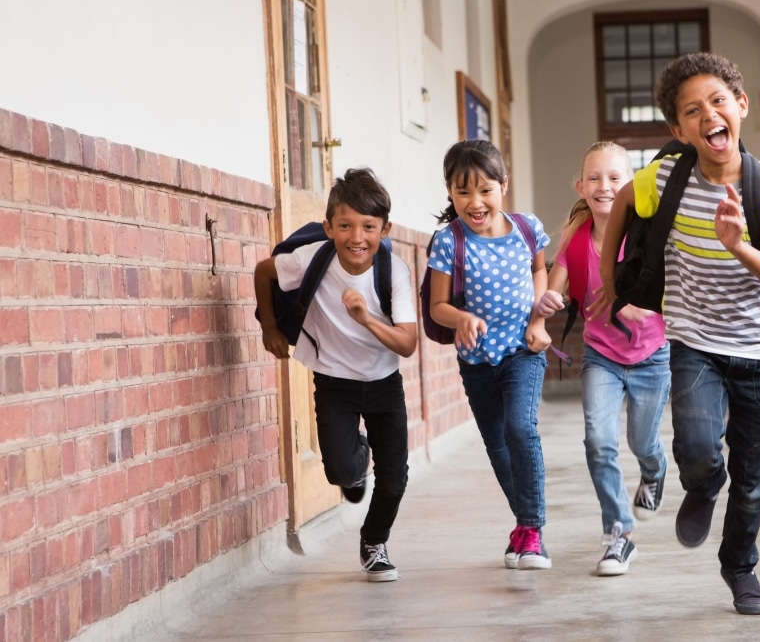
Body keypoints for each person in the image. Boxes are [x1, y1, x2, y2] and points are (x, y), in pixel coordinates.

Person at [592, 53, 760, 615]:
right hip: (697, 341)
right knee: (697, 447)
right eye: (692, 110)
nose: (708, 114)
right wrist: (612, 279)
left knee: (754, 478)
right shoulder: (664, 177)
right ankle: (703, 485)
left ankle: (740, 568)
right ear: (678, 129)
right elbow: (617, 211)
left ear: (739, 106)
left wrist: (737, 244)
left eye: (717, 101)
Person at [254, 168, 418, 583]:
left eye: (368, 226)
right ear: (329, 227)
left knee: (395, 479)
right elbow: (263, 272)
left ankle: (374, 543)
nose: (356, 237)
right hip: (334, 382)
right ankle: (355, 456)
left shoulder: (393, 271)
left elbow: (406, 343)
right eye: (345, 225)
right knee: (342, 473)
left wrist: (365, 319)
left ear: (385, 228)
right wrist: (269, 327)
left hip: (384, 382)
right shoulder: (313, 258)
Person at [534, 142, 671, 577]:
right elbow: (554, 289)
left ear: (630, 184)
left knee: (641, 442)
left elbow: (673, 292)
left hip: (651, 355)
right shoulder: (575, 237)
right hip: (602, 357)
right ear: (580, 185)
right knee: (599, 440)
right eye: (593, 178)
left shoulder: (645, 234)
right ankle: (618, 533)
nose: (604, 186)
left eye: (614, 178)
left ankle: (654, 470)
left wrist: (637, 306)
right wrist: (548, 302)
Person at [426, 139, 555, 570]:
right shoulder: (448, 241)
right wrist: (459, 318)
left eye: (485, 190)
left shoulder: (527, 227)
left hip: (522, 350)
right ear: (449, 192)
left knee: (520, 428)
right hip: (477, 360)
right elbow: (437, 307)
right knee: (498, 446)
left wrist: (538, 319)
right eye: (463, 192)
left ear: (504, 185)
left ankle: (533, 531)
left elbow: (541, 269)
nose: (475, 202)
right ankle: (523, 523)